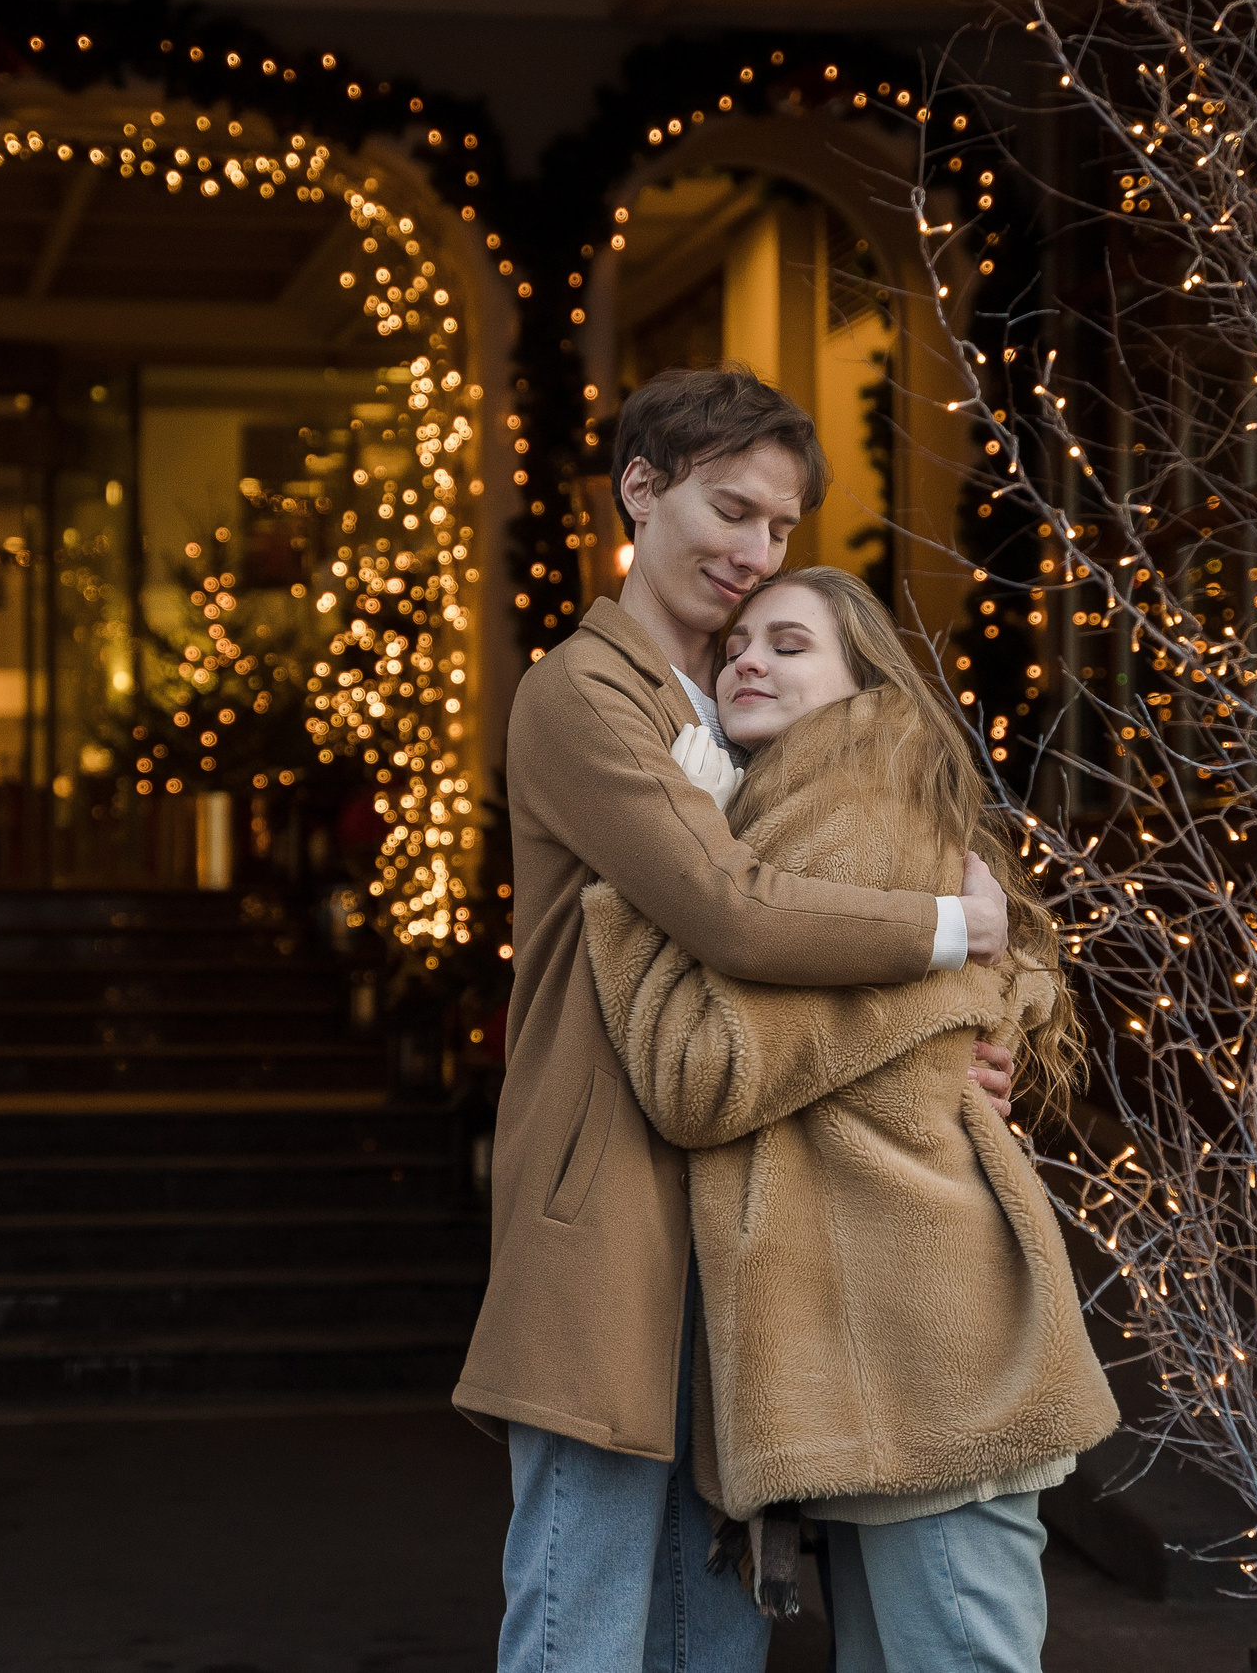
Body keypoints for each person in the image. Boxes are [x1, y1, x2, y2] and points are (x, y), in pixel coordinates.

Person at [453, 365, 1016, 1673]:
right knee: (577, 1626)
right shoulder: (583, 696)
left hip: (745, 1238)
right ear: (640, 490)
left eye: (779, 525)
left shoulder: (755, 696)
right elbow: (740, 913)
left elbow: (888, 864)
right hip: (608, 1226)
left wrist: (976, 1034)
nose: (756, 551)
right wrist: (949, 932)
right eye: (731, 507)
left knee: (712, 1637)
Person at [581, 565, 1120, 1673]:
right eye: (737, 643)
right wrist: (971, 989)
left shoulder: (843, 820)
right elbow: (1003, 974)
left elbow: (701, 1075)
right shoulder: (814, 813)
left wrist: (635, 888)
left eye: (788, 645)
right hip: (905, 1355)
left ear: (861, 682)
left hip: (923, 1364)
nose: (746, 659)